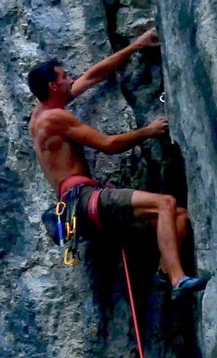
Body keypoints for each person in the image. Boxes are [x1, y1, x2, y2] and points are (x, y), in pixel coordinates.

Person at [26, 29, 207, 297]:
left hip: (78, 204)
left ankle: (164, 273)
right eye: (64, 77)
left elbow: (92, 76)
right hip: (84, 199)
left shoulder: (41, 113)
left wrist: (136, 45)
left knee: (177, 215)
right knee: (165, 203)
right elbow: (109, 145)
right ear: (53, 86)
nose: (71, 79)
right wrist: (148, 131)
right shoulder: (55, 118)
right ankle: (178, 280)